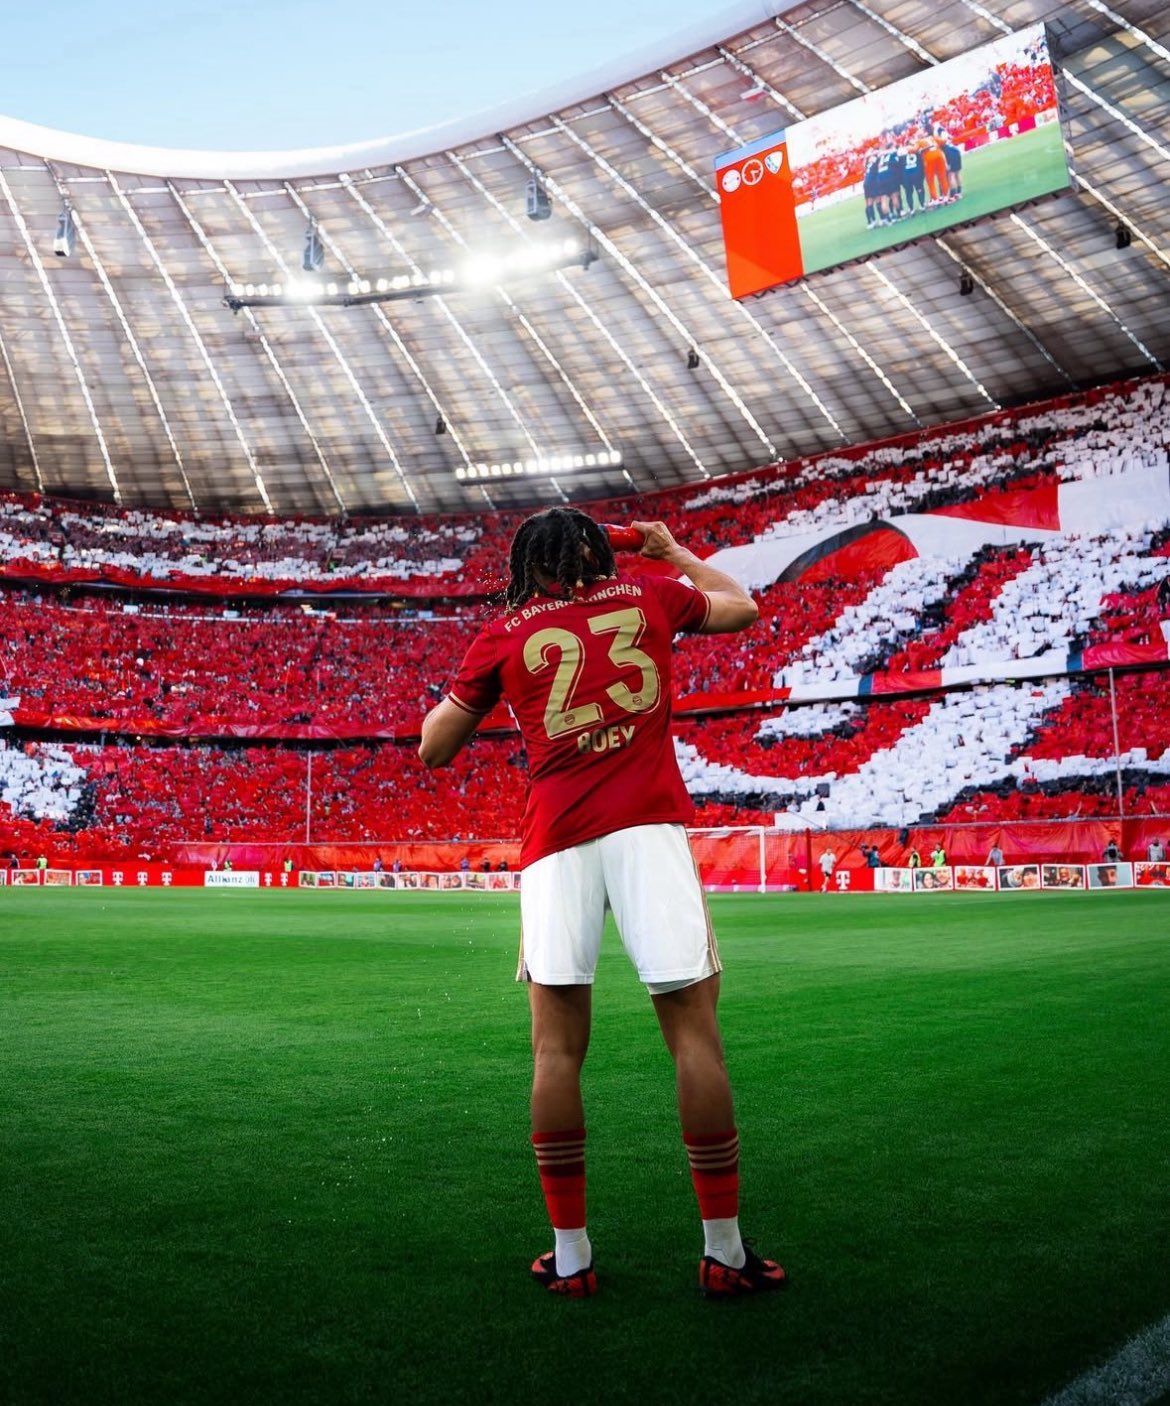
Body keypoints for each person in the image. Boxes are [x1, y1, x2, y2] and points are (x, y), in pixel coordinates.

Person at [419, 509, 784, 1299]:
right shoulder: (652, 595)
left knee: (555, 1053)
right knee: (696, 1042)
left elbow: (435, 748)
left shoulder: (505, 632)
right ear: (601, 554)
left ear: (531, 567)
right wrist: (673, 550)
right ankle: (724, 1253)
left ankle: (572, 1257)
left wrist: (474, 690)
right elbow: (743, 607)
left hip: (556, 841)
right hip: (649, 830)